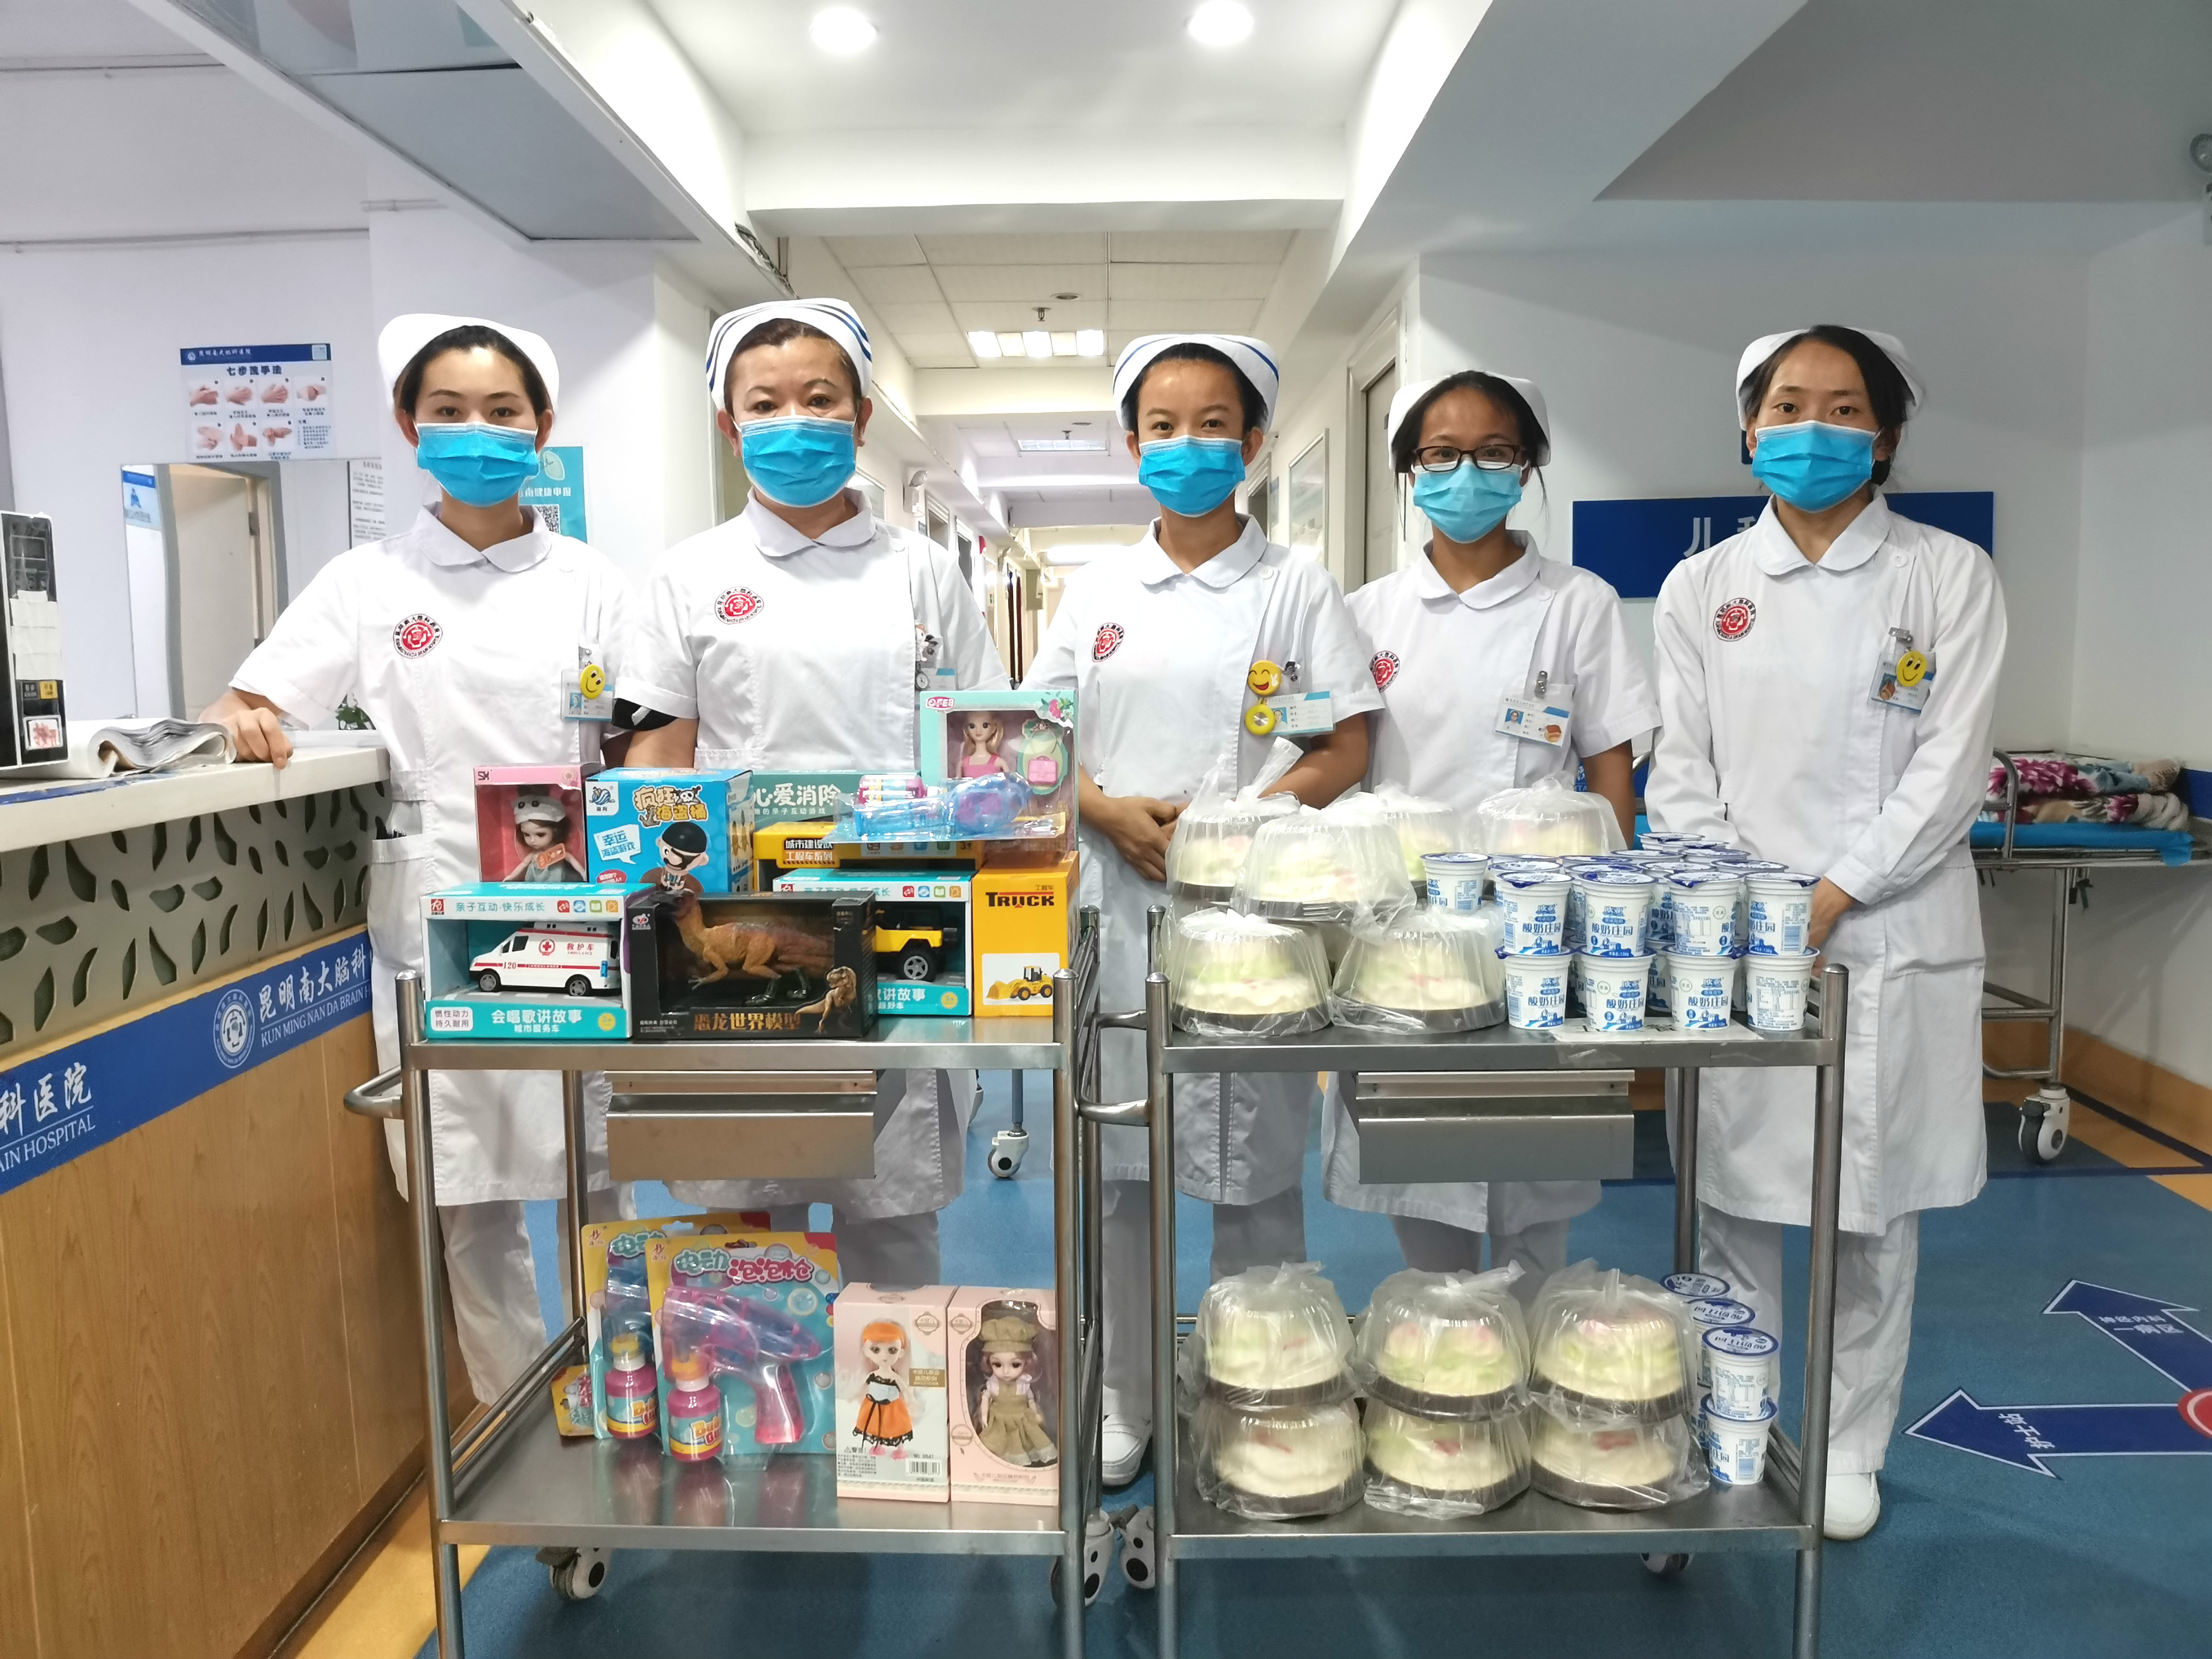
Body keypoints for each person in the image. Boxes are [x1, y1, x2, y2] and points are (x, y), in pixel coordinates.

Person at [205, 313, 634, 1406]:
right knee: (466, 1188)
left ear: (542, 426)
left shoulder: (596, 583)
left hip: (578, 909)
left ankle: (621, 1388)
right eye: (449, 411)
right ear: (409, 426)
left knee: (599, 1175)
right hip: (440, 908)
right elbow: (247, 700)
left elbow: (645, 742)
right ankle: (521, 1416)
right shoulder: (367, 581)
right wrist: (246, 717)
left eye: (502, 411)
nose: (476, 431)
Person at [1646, 325, 2007, 1540]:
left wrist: (1835, 893)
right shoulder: (1704, 588)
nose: (1814, 428)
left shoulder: (1948, 575)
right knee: (1732, 1198)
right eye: (1789, 404)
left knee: (1875, 1210)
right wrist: (1750, 907)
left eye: (1845, 408)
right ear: (1750, 431)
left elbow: (1952, 768)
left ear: (1886, 437)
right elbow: (1682, 772)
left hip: (1893, 931)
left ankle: (1851, 1446)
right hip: (1741, 939)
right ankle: (1733, 1421)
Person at [1023, 332, 1382, 1483]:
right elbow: (1032, 738)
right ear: (1133, 446)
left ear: (1254, 442)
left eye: (1213, 424)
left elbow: (1345, 747)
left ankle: (1260, 1400)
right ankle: (1126, 1397)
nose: (1188, 446)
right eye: (1163, 427)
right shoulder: (1095, 592)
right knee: (1121, 1180)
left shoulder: (1296, 587)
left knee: (1255, 1181)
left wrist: (1233, 829)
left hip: (1254, 923)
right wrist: (1108, 811)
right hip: (1118, 906)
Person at [616, 298, 1004, 1286]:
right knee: (748, 1221)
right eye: (766, 403)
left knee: (895, 1222)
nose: (794, 422)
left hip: (899, 912)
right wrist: (668, 907)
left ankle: (896, 1387)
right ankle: (758, 1383)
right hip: (742, 924)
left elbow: (982, 745)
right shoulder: (688, 577)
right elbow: (656, 757)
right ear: (729, 423)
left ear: (861, 416)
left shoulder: (924, 572)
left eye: (820, 398)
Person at [1322, 370, 1658, 1292]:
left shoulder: (1576, 602)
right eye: (1441, 454)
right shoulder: (1369, 612)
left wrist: (1611, 920)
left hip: (1536, 926)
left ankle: (1538, 1337)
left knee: (1536, 1178)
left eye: (1493, 452)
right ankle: (1444, 1340)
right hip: (1407, 933)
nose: (1465, 473)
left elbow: (1612, 772)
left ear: (1527, 468)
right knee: (1421, 1167)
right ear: (1410, 472)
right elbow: (1345, 758)